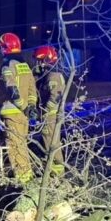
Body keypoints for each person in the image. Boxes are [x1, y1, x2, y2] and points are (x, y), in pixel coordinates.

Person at [0, 33, 38, 185]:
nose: (0, 50)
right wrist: (31, 107)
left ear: (6, 47)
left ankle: (23, 181)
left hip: (13, 112)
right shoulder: (25, 65)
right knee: (22, 144)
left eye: (1, 46)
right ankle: (27, 176)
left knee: (15, 146)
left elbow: (11, 86)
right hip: (24, 114)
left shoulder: (7, 64)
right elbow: (33, 89)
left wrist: (22, 106)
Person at [34, 45, 66, 176]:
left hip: (50, 117)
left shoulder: (53, 76)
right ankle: (49, 169)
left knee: (51, 144)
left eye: (39, 61)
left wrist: (45, 111)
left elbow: (55, 97)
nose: (38, 64)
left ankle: (56, 173)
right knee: (47, 142)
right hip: (49, 116)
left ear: (45, 60)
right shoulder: (49, 75)